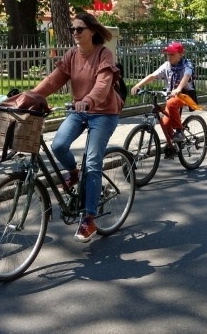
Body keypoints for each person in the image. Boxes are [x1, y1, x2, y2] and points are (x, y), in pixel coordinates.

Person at [30, 13, 123, 243]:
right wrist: (29, 96)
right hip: (80, 111)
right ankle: (73, 173)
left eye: (79, 29)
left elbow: (103, 86)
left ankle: (89, 218)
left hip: (103, 113)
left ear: (92, 31)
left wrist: (89, 100)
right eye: (73, 29)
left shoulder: (103, 54)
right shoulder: (72, 54)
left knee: (92, 162)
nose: (75, 33)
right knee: (59, 145)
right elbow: (53, 81)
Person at [131, 41, 197, 159]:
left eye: (172, 54)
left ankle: (179, 131)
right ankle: (173, 146)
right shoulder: (166, 65)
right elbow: (153, 75)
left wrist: (178, 89)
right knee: (166, 124)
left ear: (181, 54)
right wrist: (138, 85)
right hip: (172, 95)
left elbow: (186, 76)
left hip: (186, 95)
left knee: (171, 103)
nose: (169, 56)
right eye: (168, 54)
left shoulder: (187, 65)